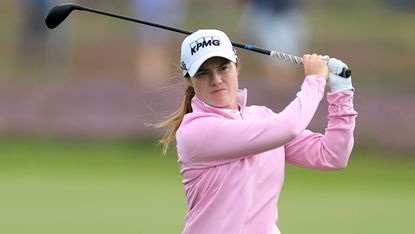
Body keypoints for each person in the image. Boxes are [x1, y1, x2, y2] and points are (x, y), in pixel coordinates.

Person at [157, 29, 357, 234]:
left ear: (237, 68)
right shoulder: (196, 131)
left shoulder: (262, 117)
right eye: (203, 72)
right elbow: (289, 127)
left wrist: (341, 92)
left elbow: (332, 155)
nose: (216, 79)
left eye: (223, 68)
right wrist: (315, 80)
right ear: (189, 80)